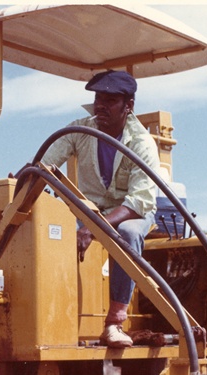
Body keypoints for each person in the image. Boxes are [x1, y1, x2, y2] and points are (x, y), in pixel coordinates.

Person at [41, 70, 162, 348]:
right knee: (52, 232)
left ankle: (115, 323)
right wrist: (23, 177)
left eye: (110, 100)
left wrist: (93, 229)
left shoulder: (142, 144)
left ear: (128, 106)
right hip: (92, 210)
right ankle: (56, 316)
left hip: (131, 212)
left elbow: (139, 202)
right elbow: (45, 163)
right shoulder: (81, 131)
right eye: (98, 98)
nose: (100, 106)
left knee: (127, 234)